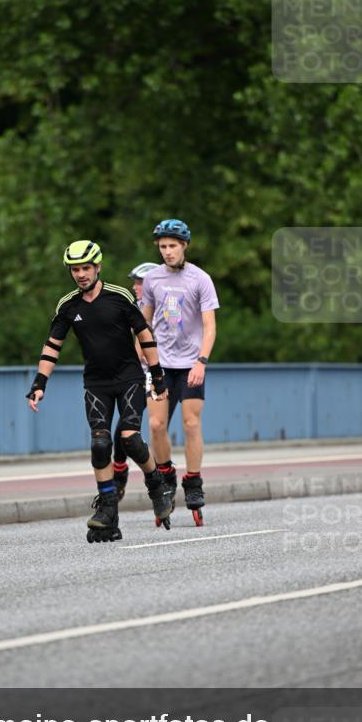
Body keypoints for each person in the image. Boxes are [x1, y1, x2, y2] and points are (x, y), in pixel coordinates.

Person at [26, 240, 173, 542]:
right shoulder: (68, 306)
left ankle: (155, 482)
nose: (80, 274)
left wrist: (158, 376)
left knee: (129, 439)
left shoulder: (119, 297)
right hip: (96, 384)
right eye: (75, 269)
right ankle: (108, 512)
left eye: (85, 268)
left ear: (97, 267)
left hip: (129, 378)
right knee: (100, 444)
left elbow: (145, 334)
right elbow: (52, 346)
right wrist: (39, 384)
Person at [140, 219, 219, 525]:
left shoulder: (200, 279)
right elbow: (143, 321)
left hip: (190, 364)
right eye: (162, 247)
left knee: (190, 422)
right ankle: (166, 476)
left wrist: (202, 361)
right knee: (157, 425)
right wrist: (142, 349)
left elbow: (210, 326)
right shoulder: (153, 279)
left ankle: (194, 483)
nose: (167, 252)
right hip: (159, 365)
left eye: (172, 246)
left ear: (185, 246)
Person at [110, 261, 160, 500]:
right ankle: (119, 469)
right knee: (123, 428)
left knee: (158, 425)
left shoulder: (168, 306)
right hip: (137, 374)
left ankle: (164, 475)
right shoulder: (131, 307)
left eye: (140, 282)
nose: (135, 286)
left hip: (163, 371)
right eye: (136, 282)